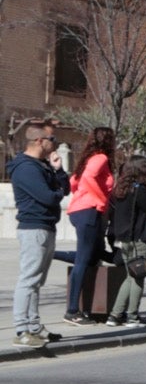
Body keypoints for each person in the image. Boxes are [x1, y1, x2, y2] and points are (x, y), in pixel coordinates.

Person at [10, 122, 71, 346]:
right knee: (28, 280)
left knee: (36, 281)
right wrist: (56, 191)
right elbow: (49, 197)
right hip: (33, 228)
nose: (54, 143)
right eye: (51, 139)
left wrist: (59, 170)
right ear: (39, 141)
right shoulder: (25, 168)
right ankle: (21, 330)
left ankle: (35, 327)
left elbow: (65, 189)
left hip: (46, 226)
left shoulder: (42, 165)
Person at [63, 126, 117, 322]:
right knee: (84, 260)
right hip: (89, 211)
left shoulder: (87, 159)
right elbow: (87, 178)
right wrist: (101, 199)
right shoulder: (101, 158)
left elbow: (73, 183)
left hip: (79, 211)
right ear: (108, 141)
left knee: (91, 256)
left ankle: (52, 254)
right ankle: (72, 311)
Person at [105, 157, 146, 327]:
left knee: (130, 277)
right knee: (138, 278)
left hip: (125, 239)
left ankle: (114, 315)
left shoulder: (120, 190)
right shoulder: (140, 190)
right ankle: (132, 316)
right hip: (139, 240)